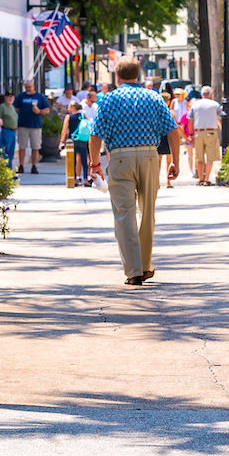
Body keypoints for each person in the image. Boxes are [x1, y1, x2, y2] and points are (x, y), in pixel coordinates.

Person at [89, 57, 183, 286]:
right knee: (148, 212)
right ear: (138, 74)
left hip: (121, 157)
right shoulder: (153, 97)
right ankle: (144, 264)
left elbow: (95, 135)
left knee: (124, 215)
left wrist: (95, 164)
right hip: (150, 157)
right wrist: (175, 162)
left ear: (117, 76)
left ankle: (133, 271)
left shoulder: (109, 99)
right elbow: (173, 131)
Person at [187, 87, 224, 185]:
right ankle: (207, 179)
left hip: (198, 132)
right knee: (210, 157)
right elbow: (221, 116)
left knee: (199, 157)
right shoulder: (215, 104)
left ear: (202, 94)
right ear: (210, 94)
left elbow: (190, 120)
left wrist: (190, 134)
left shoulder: (195, 104)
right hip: (211, 132)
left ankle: (200, 179)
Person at [17, 81, 51, 174]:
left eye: (29, 87)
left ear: (33, 87)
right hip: (23, 125)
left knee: (35, 147)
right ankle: (21, 165)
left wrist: (39, 111)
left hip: (35, 125)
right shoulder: (21, 96)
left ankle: (34, 166)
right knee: (22, 146)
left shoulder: (39, 97)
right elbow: (15, 108)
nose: (28, 89)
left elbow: (47, 110)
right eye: (26, 87)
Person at [59, 102, 92, 185]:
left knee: (72, 160)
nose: (68, 108)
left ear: (73, 107)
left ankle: (74, 179)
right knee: (84, 160)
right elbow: (88, 126)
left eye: (69, 106)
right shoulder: (82, 115)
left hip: (72, 141)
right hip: (82, 140)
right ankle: (85, 179)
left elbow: (64, 130)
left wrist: (61, 141)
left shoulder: (68, 117)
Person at [0, 93, 19, 169]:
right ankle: (6, 169)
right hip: (6, 131)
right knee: (6, 151)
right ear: (5, 98)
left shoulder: (12, 107)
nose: (10, 99)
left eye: (12, 97)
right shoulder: (2, 107)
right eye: (8, 97)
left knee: (11, 152)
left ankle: (10, 169)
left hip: (13, 132)